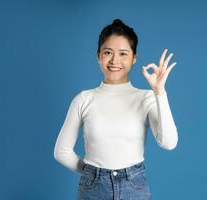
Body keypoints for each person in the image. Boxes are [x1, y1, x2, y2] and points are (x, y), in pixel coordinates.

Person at [53, 18, 178, 200]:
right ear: (98, 55)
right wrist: (93, 173)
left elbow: (168, 143)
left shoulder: (146, 98)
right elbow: (61, 152)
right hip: (93, 190)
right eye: (108, 52)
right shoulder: (83, 99)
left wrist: (160, 92)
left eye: (123, 54)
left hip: (134, 188)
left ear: (134, 58)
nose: (114, 60)